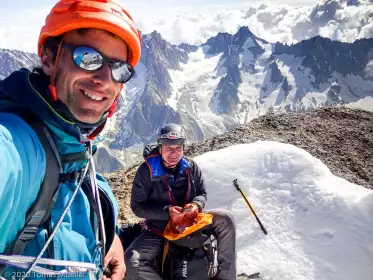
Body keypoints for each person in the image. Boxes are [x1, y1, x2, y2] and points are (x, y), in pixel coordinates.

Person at [0, 0, 141, 279]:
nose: (104, 78)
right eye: (88, 58)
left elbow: (75, 181)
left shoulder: (69, 141)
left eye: (119, 68)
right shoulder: (16, 145)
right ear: (49, 58)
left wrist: (106, 235)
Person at [125, 123, 237, 280]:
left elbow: (201, 193)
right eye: (168, 148)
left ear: (183, 148)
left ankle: (225, 277)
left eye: (178, 148)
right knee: (132, 260)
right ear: (160, 148)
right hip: (160, 228)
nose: (173, 153)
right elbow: (137, 207)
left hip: (190, 222)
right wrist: (167, 212)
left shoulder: (190, 166)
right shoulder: (146, 171)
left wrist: (196, 204)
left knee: (225, 219)